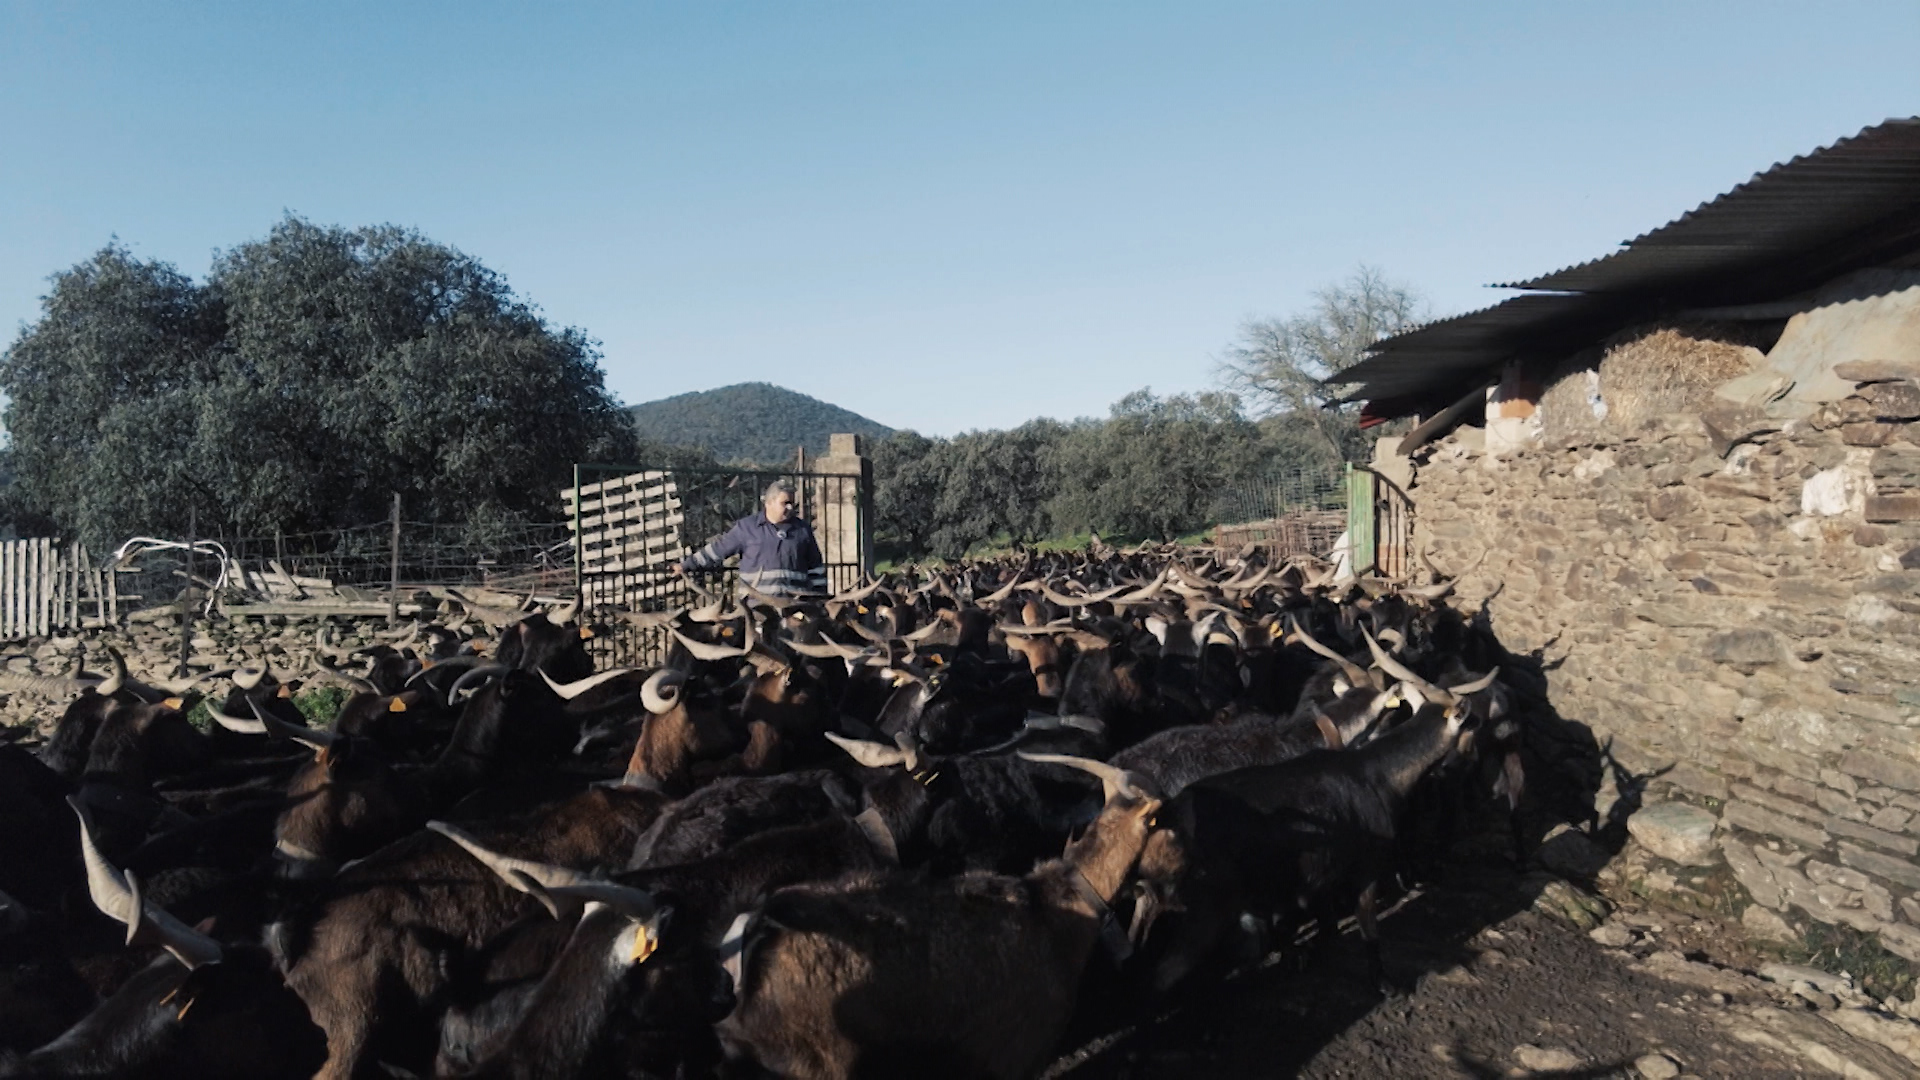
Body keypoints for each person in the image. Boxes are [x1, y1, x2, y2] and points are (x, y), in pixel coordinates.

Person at [677, 479, 828, 599]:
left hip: (793, 606)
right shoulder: (747, 528)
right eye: (785, 503)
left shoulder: (803, 530)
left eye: (791, 503)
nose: (790, 508)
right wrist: (687, 565)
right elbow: (718, 550)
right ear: (769, 503)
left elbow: (816, 567)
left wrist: (820, 599)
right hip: (757, 606)